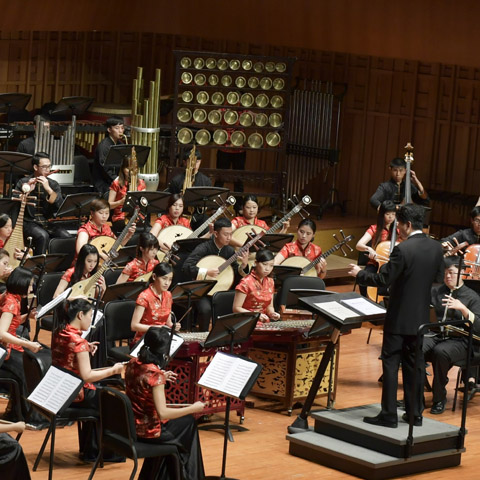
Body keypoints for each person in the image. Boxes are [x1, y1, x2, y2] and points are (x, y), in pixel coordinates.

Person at [348, 204, 444, 428]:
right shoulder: (436, 248)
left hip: (399, 317)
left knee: (390, 365)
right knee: (415, 366)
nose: (397, 229)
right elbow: (437, 281)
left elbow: (383, 281)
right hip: (421, 319)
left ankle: (389, 415)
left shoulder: (403, 250)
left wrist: (360, 274)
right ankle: (415, 414)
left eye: (399, 225)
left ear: (408, 225)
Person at [125, 327, 206, 480]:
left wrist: (161, 376)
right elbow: (163, 413)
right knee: (189, 423)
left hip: (131, 425)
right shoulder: (155, 374)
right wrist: (192, 408)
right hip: (148, 430)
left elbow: (142, 381)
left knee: (184, 428)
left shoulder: (132, 363)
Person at [51, 297, 125, 461]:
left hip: (59, 389)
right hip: (75, 394)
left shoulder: (59, 331)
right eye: (89, 315)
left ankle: (91, 449)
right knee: (114, 400)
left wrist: (85, 349)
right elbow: (87, 376)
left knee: (100, 396)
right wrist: (113, 370)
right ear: (79, 315)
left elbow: (67, 357)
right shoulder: (78, 341)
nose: (91, 319)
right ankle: (102, 452)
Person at [423, 256, 480, 414]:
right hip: (435, 336)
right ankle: (416, 397)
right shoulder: (436, 291)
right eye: (445, 273)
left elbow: (479, 327)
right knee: (415, 347)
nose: (448, 276)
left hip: (461, 341)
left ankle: (439, 398)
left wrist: (463, 309)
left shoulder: (472, 297)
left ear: (462, 272)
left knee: (440, 352)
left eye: (452, 273)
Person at [182, 218, 249, 331]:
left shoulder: (229, 251)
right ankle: (202, 337)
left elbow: (236, 276)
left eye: (230, 234)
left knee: (233, 304)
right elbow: (186, 267)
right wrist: (206, 271)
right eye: (225, 234)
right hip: (203, 291)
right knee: (205, 310)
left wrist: (243, 265)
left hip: (222, 290)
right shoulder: (203, 248)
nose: (229, 238)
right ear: (216, 233)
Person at [0, 268, 43, 426]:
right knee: (30, 367)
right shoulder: (11, 303)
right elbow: (2, 333)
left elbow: (10, 321)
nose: (31, 288)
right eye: (30, 285)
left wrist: (27, 316)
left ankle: (19, 411)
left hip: (7, 346)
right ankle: (28, 415)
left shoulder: (10, 296)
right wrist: (27, 343)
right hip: (5, 351)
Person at [15, 152, 71, 255]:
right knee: (42, 236)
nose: (48, 169)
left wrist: (49, 190)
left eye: (49, 166)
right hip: (28, 221)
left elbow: (60, 207)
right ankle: (38, 267)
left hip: (46, 221)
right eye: (44, 167)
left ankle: (59, 265)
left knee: (66, 236)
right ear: (36, 167)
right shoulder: (23, 182)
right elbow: (15, 204)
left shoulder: (53, 184)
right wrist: (27, 190)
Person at [355, 200, 398, 296]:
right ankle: (365, 299)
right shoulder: (374, 228)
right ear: (382, 214)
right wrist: (369, 249)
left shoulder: (399, 230)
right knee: (363, 277)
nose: (391, 217)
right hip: (376, 263)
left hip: (393, 265)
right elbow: (359, 245)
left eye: (393, 214)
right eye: (387, 214)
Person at [131, 262, 176, 345]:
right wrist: (155, 328)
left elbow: (168, 323)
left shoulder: (168, 295)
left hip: (161, 338)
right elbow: (134, 326)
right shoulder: (144, 297)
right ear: (154, 277)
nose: (167, 283)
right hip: (144, 340)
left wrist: (173, 326)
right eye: (164, 278)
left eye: (170, 279)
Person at [168, 147, 212, 231]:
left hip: (198, 215)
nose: (194, 164)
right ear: (184, 162)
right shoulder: (176, 180)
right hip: (180, 215)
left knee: (207, 227)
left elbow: (207, 203)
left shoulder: (206, 181)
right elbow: (171, 201)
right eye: (190, 162)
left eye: (197, 162)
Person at [233, 249, 280, 324]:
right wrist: (256, 315)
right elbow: (236, 308)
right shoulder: (245, 282)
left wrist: (272, 314)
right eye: (264, 264)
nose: (267, 269)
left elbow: (269, 307)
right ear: (255, 263)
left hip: (263, 321)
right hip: (246, 321)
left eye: (271, 265)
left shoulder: (270, 281)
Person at [108, 154, 146, 236]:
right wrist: (120, 202)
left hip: (137, 215)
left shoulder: (141, 183)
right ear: (122, 169)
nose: (130, 171)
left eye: (133, 168)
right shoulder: (117, 183)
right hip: (120, 216)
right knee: (126, 226)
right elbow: (108, 205)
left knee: (145, 225)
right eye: (127, 168)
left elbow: (145, 204)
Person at [92, 117, 126, 194]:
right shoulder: (104, 146)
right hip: (103, 184)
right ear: (109, 130)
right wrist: (117, 180)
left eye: (122, 128)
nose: (121, 131)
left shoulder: (121, 144)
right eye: (117, 128)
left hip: (115, 180)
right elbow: (104, 168)